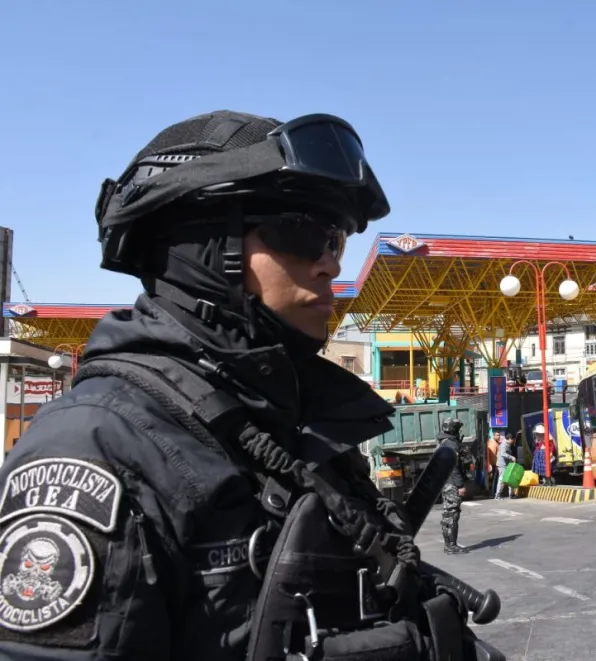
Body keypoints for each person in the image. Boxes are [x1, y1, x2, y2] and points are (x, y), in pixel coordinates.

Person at [0, 111, 496, 660]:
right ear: (208, 245)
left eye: (338, 240)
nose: (330, 264)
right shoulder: (97, 447)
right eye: (306, 233)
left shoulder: (290, 424)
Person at [437, 417, 469, 555]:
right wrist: (460, 485)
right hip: (451, 483)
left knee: (448, 514)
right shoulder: (450, 444)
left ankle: (449, 545)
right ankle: (451, 545)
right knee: (452, 514)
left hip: (445, 481)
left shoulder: (445, 442)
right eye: (457, 428)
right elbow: (454, 466)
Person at [494, 432, 517, 499]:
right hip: (502, 465)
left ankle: (511, 494)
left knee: (510, 479)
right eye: (513, 439)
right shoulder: (504, 444)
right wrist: (511, 457)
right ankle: (497, 495)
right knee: (502, 480)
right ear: (510, 439)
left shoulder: (507, 444)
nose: (513, 441)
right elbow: (503, 454)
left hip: (507, 464)